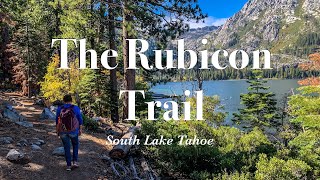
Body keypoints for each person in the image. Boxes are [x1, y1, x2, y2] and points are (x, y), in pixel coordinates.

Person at [56, 94, 83, 171]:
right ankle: (75, 162)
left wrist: (57, 131)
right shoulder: (75, 108)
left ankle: (68, 165)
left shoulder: (59, 109)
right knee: (75, 144)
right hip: (73, 131)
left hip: (63, 131)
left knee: (66, 147)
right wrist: (80, 129)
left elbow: (57, 121)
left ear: (64, 101)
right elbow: (80, 119)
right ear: (71, 100)